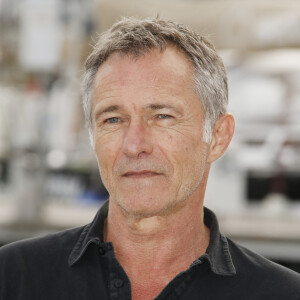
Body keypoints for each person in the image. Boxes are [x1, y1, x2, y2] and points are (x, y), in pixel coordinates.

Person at [1, 17, 300, 300]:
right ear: (92, 136)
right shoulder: (13, 278)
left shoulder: (282, 294)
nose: (134, 145)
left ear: (218, 137)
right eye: (113, 120)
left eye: (162, 116)